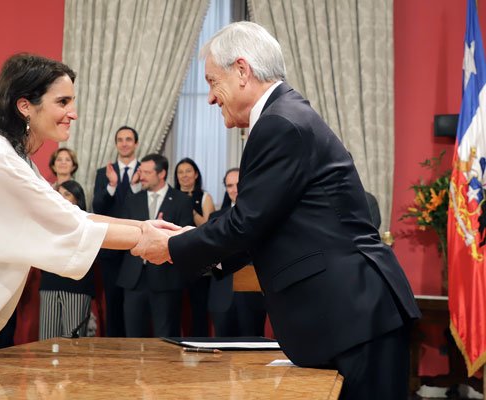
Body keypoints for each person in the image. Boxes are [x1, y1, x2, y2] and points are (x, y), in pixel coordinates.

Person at [132, 22, 420, 400]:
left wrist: (174, 247)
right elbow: (264, 224)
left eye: (212, 82)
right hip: (348, 316)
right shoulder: (283, 116)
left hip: (352, 315)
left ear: (241, 71)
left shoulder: (279, 124)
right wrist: (191, 244)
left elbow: (246, 223)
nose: (210, 98)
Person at [0, 53, 174, 369]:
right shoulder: (1, 161)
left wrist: (148, 228)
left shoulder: (15, 160)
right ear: (25, 106)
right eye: (62, 102)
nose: (73, 113)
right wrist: (158, 239)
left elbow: (76, 216)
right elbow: (74, 225)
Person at [116, 154, 193, 337]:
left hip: (165, 279)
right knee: (133, 338)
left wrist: (163, 234)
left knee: (165, 336)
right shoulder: (133, 199)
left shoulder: (181, 200)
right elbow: (122, 232)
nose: (141, 176)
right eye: (141, 171)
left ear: (162, 173)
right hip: (134, 279)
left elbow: (186, 236)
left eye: (147, 172)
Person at [92, 126, 141, 337]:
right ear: (116, 144)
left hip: (138, 249)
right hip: (111, 249)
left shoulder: (146, 170)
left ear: (136, 143)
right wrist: (111, 186)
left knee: (136, 306)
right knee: (112, 302)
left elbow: (146, 208)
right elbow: (97, 207)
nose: (124, 143)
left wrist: (137, 188)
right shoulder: (104, 173)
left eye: (128, 139)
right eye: (120, 140)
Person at [208, 168, 265, 337]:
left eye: (238, 184)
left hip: (253, 296)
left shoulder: (262, 214)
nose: (234, 189)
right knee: (221, 356)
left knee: (253, 354)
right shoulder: (215, 217)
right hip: (221, 295)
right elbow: (207, 254)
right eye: (229, 185)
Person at [39, 180, 96, 339]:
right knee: (47, 339)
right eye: (58, 194)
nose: (61, 197)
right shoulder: (45, 222)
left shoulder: (88, 222)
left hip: (77, 286)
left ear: (77, 199)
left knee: (73, 341)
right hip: (49, 285)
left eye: (67, 194)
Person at [174, 157, 215, 336]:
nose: (184, 175)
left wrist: (187, 207)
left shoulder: (205, 196)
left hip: (199, 260)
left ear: (196, 174)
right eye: (180, 172)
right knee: (176, 307)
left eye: (188, 171)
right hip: (175, 258)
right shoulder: (170, 195)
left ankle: (201, 341)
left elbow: (207, 226)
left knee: (199, 306)